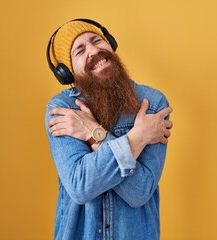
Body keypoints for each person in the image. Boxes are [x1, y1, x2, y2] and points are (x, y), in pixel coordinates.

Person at [45, 18, 173, 240]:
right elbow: (80, 186)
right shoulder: (62, 108)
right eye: (80, 50)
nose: (94, 50)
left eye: (97, 40)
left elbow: (140, 192)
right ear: (67, 72)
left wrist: (94, 134)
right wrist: (137, 137)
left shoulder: (152, 103)